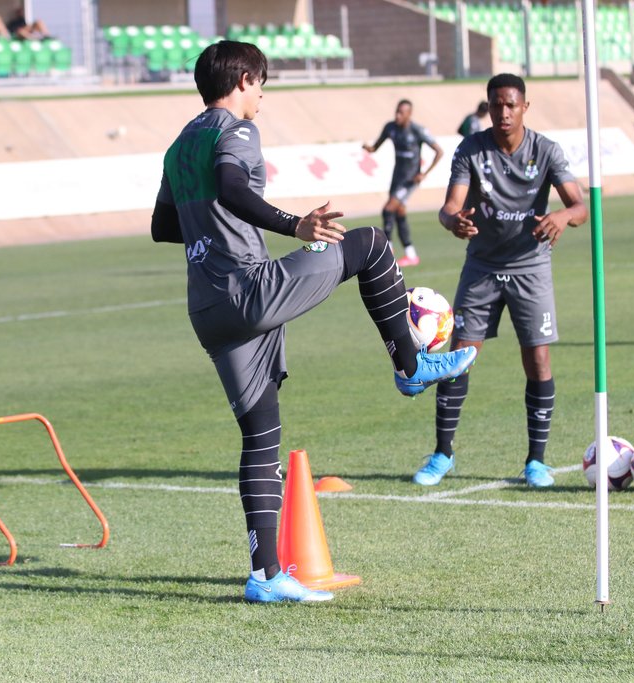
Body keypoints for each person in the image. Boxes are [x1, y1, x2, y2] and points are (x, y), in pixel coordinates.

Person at [151, 40, 477, 604]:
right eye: (261, 83)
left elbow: (163, 226)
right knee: (370, 245)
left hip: (207, 309)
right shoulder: (236, 128)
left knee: (260, 436)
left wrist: (212, 228)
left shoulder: (180, 145)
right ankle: (411, 365)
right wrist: (293, 225)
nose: (262, 95)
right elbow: (231, 185)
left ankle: (265, 576)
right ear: (244, 80)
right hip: (249, 291)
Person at [411, 73, 588, 489]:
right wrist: (454, 222)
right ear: (488, 107)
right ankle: (442, 454)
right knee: (458, 358)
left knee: (538, 360)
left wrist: (562, 216)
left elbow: (580, 206)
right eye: (496, 105)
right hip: (482, 268)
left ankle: (536, 462)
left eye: (511, 105)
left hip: (531, 267)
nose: (504, 112)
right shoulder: (471, 149)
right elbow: (449, 207)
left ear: (525, 106)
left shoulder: (545, 150)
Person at [362, 100, 443, 268]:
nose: (397, 116)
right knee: (399, 213)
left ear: (409, 114)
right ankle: (411, 254)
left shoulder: (417, 130)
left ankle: (387, 252)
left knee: (387, 210)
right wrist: (369, 148)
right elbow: (376, 147)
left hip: (409, 180)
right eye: (396, 112)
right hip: (397, 177)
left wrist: (424, 173)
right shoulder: (390, 128)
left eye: (401, 113)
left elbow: (439, 151)